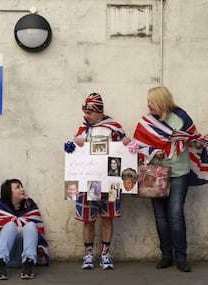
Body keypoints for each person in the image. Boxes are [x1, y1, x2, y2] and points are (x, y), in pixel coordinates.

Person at [133, 86, 208, 273]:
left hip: (179, 171)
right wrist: (153, 151)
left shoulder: (181, 117)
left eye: (151, 101)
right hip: (154, 173)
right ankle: (166, 256)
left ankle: (181, 257)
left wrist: (201, 141)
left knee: (176, 214)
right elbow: (137, 145)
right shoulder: (146, 121)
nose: (148, 105)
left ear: (161, 102)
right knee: (161, 217)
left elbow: (192, 140)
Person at [73, 92, 131, 270]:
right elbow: (75, 150)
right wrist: (76, 144)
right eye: (85, 111)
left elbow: (124, 148)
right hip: (91, 182)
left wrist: (126, 142)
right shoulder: (83, 129)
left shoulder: (114, 127)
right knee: (88, 220)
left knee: (108, 217)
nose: (86, 115)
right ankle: (88, 254)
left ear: (99, 112)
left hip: (111, 182)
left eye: (90, 112)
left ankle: (105, 254)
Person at [0, 179, 49, 280]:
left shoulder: (30, 206)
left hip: (19, 259)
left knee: (31, 225)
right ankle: (0, 263)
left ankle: (29, 263)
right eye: (17, 187)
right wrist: (14, 226)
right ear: (9, 193)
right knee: (10, 226)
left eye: (21, 186)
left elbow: (38, 230)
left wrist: (21, 226)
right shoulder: (0, 208)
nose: (22, 189)